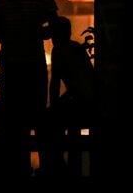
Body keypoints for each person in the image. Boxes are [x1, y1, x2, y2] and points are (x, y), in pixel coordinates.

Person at [0, 0, 57, 177]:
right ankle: (46, 169)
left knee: (12, 119)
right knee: (37, 114)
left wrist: (9, 35)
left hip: (11, 63)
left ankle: (16, 169)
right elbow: (55, 27)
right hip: (34, 63)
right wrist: (36, 34)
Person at [44, 16, 95, 175]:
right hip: (88, 101)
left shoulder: (59, 50)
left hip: (79, 101)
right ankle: (70, 169)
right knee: (73, 137)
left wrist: (53, 105)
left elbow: (55, 82)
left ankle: (57, 168)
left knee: (51, 125)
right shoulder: (76, 48)